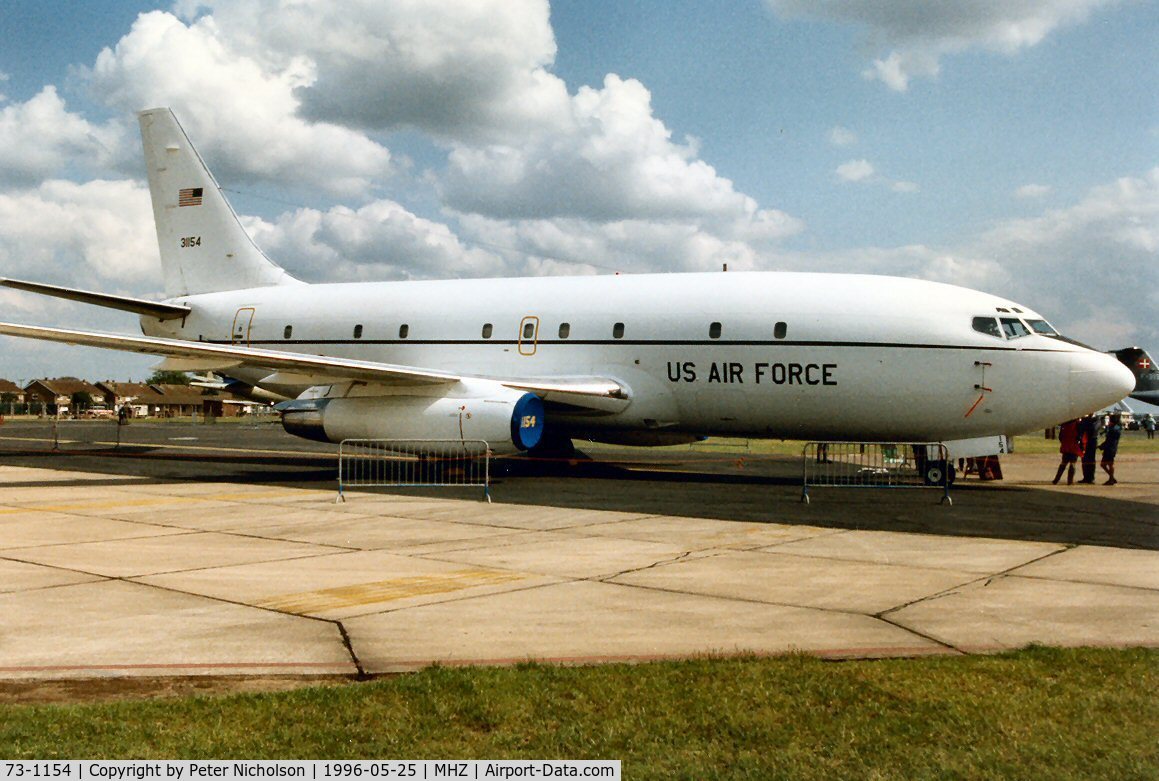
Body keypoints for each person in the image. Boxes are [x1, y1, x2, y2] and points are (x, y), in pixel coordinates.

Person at [1052, 418, 1083, 485]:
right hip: (1074, 445)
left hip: (1066, 445)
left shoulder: (1064, 424)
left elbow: (1060, 436)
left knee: (1063, 463)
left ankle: (1056, 480)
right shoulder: (1077, 424)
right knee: (1072, 463)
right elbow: (1079, 436)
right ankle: (1070, 481)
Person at [1099, 413, 1123, 485]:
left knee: (1107, 464)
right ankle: (1112, 478)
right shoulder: (1116, 428)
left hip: (1110, 448)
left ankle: (1111, 478)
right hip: (1111, 448)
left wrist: (1102, 446)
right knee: (1106, 464)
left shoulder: (1113, 429)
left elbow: (1109, 440)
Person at [1078, 414, 1099, 483]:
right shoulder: (1093, 420)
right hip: (1086, 442)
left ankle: (1090, 478)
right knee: (1085, 460)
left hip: (1090, 442)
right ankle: (1087, 477)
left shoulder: (1095, 420)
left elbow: (1092, 430)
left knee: (1089, 460)